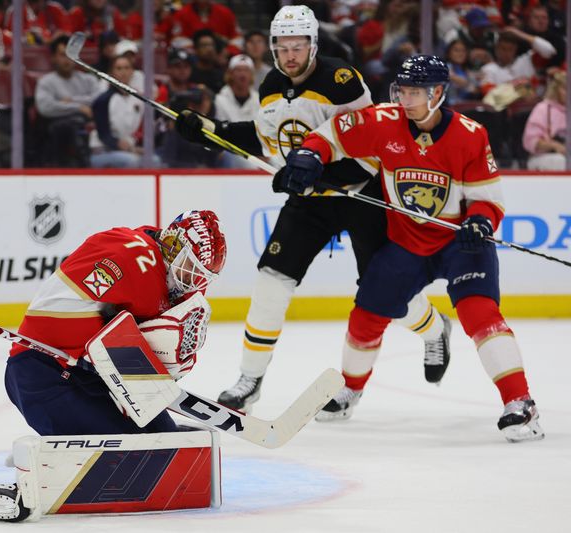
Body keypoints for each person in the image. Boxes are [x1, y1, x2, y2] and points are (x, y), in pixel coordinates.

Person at [174, 5, 450, 411]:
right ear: (272, 48)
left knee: (386, 292)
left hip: (360, 195)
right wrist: (210, 131)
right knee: (271, 282)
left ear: (313, 44)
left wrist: (320, 174)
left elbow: (371, 143)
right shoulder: (270, 86)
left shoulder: (340, 80)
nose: (290, 55)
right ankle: (250, 378)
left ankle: (434, 330)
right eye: (282, 47)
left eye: (298, 46)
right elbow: (265, 139)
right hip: (309, 201)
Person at [287, 55, 544, 443]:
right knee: (366, 315)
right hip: (407, 242)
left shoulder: (470, 135)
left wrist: (480, 221)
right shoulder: (384, 121)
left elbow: (487, 198)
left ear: (438, 93)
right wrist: (310, 153)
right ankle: (351, 389)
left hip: (461, 243)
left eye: (414, 92)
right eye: (401, 90)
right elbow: (333, 134)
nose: (405, 99)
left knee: (480, 313)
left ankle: (520, 403)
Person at [6, 209, 226, 435]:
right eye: (191, 268)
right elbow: (55, 320)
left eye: (202, 275)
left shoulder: (166, 265)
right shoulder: (132, 259)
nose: (194, 281)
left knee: (165, 444)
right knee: (131, 454)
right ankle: (47, 463)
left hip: (94, 375)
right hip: (44, 371)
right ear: (173, 245)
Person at [34, 34, 102, 166]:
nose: (68, 60)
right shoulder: (46, 82)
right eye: (62, 55)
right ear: (53, 58)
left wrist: (71, 101)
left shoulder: (88, 79)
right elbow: (46, 108)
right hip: (56, 137)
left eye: (71, 55)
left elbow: (99, 98)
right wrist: (78, 107)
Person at [523, 69, 566, 171]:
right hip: (544, 156)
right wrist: (555, 145)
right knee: (560, 161)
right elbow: (530, 142)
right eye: (565, 89)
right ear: (556, 89)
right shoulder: (543, 108)